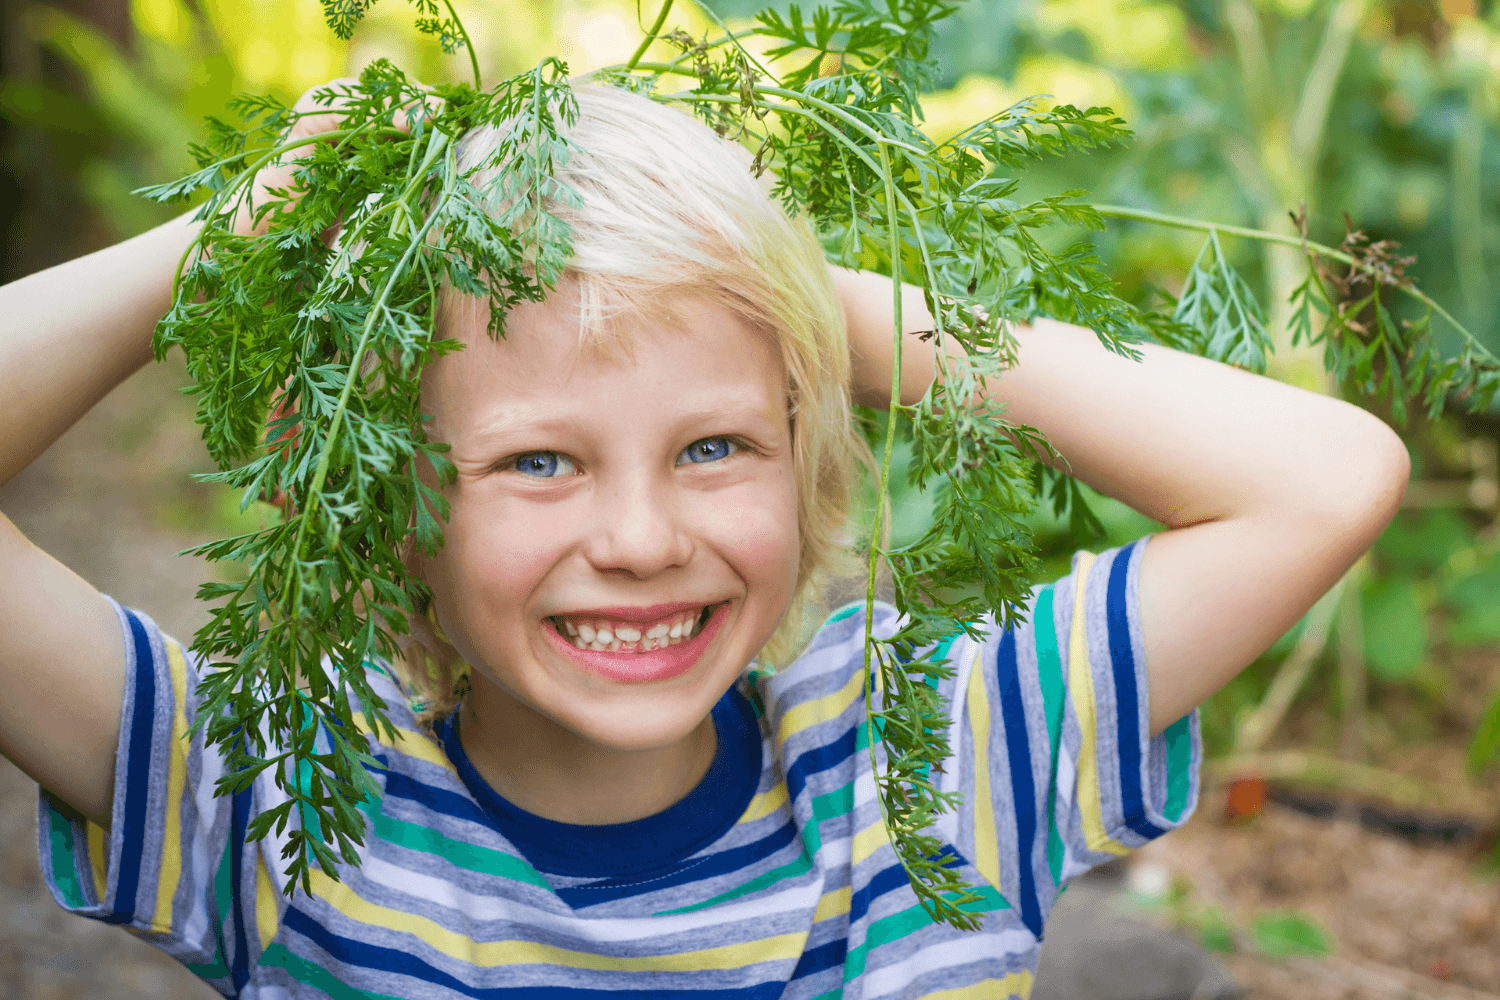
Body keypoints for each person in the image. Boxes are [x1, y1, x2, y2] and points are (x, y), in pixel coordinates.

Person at [0, 81, 1407, 999]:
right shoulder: (277, 803)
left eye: (716, 444)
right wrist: (232, 241)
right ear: (390, 503)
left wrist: (798, 298)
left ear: (809, 461)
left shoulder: (933, 764)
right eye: (538, 460)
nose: (638, 537)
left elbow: (1326, 478)